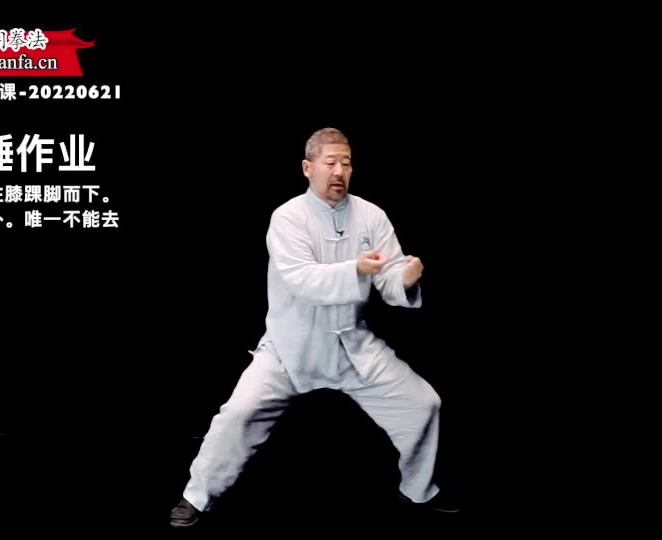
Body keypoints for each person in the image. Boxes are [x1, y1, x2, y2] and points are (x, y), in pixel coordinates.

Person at [169, 128, 456, 528]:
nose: (339, 171)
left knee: (424, 403)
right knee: (238, 414)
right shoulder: (288, 217)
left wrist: (405, 279)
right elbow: (302, 279)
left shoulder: (371, 216)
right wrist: (357, 269)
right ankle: (196, 496)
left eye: (346, 163)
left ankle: (419, 488)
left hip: (352, 344)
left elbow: (390, 277)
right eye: (330, 162)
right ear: (308, 168)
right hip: (291, 346)